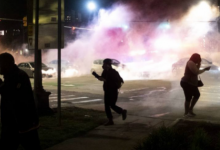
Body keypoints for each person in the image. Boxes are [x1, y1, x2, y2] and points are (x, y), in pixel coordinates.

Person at [0, 53, 41, 150]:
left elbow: (10, 93)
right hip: (14, 124)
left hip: (22, 124)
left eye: (0, 64)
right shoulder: (11, 76)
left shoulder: (18, 76)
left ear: (7, 64)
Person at [92, 58, 127, 126]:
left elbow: (105, 79)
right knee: (107, 106)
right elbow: (102, 78)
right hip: (107, 90)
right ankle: (110, 120)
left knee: (112, 105)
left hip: (113, 91)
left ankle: (122, 111)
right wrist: (95, 75)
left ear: (108, 64)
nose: (103, 65)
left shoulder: (113, 72)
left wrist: (97, 76)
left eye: (105, 64)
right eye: (103, 64)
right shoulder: (105, 71)